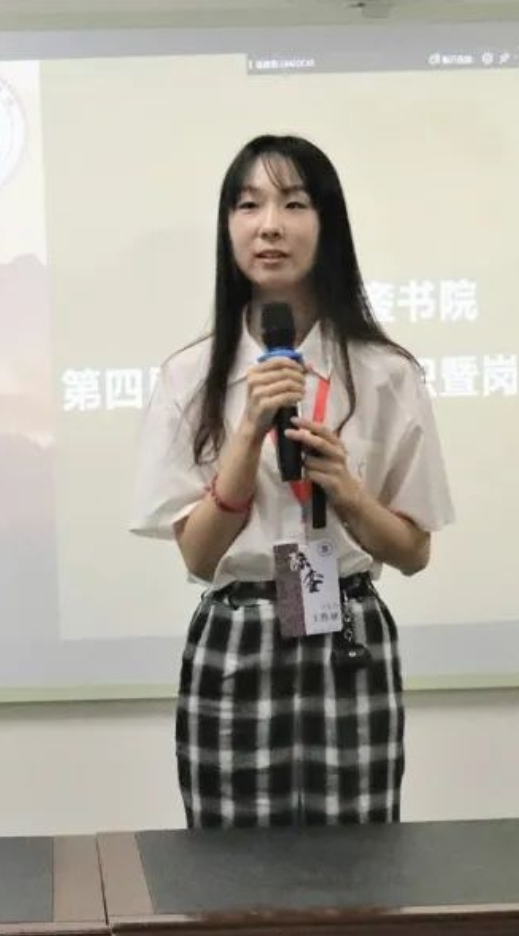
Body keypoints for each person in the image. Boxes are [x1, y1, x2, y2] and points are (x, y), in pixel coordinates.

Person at [128, 134, 455, 828]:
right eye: (248, 205)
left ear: (327, 224)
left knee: (358, 864)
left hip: (348, 630)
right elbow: (198, 555)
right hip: (236, 635)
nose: (269, 225)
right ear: (228, 228)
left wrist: (350, 494)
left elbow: (414, 551)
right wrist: (247, 434)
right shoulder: (189, 377)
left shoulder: (386, 372)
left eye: (293, 204)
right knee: (229, 870)